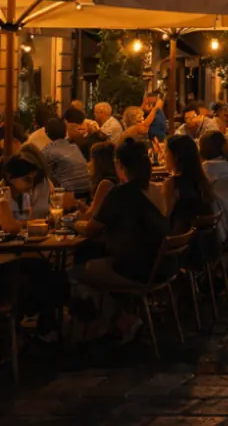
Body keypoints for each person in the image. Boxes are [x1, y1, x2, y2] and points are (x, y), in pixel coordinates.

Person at [73, 139, 170, 342]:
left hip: (135, 269)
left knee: (72, 276)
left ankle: (121, 319)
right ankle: (108, 324)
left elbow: (92, 229)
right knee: (92, 260)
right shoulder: (156, 189)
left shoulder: (119, 193)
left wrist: (74, 225)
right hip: (162, 266)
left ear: (120, 166)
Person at [160, 135, 216, 237]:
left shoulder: (172, 185)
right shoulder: (203, 181)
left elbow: (165, 217)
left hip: (182, 246)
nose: (164, 156)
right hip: (205, 245)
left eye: (166, 152)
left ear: (176, 157)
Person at [39, 117, 91, 195]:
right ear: (65, 131)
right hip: (87, 190)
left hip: (68, 194)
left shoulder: (48, 151)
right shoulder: (74, 147)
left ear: (47, 133)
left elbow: (39, 170)